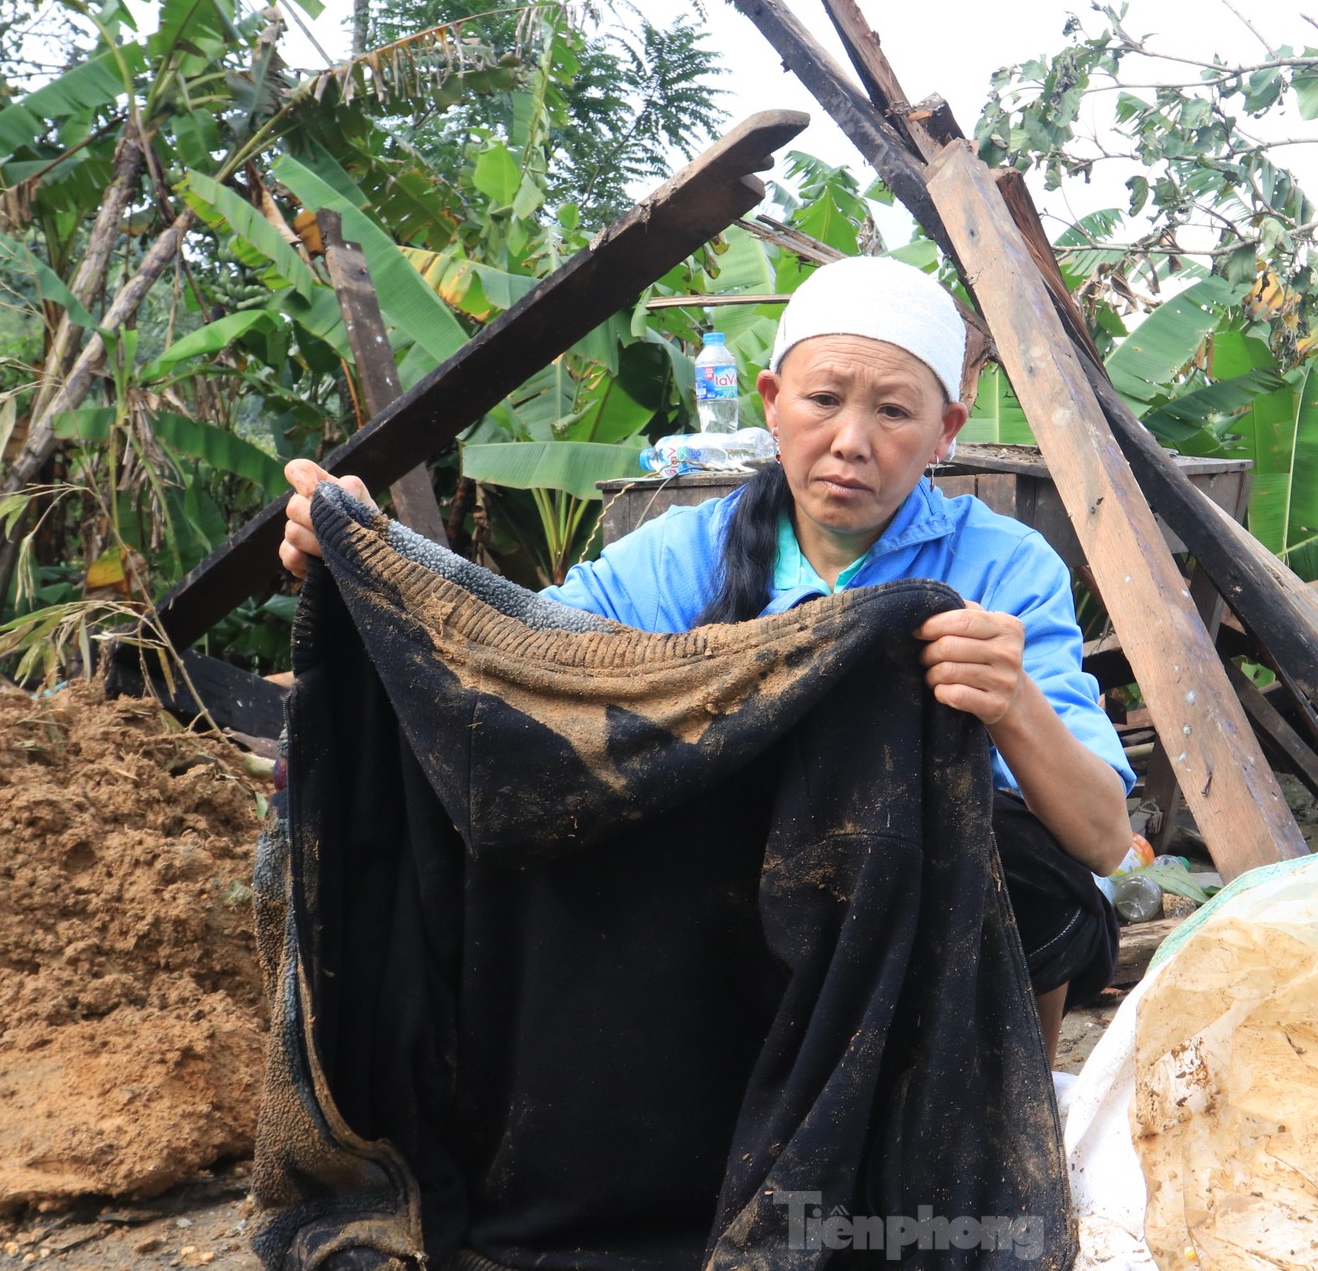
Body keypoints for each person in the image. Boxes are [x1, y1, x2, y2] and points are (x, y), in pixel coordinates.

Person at [279, 255, 1133, 1056]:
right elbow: (521, 658)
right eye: (823, 398)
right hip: (743, 924)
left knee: (1031, 867)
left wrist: (1012, 701)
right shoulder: (688, 552)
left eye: (895, 411)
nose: (850, 440)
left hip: (923, 942)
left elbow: (1099, 841)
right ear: (770, 401)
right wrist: (382, 565)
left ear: (945, 429)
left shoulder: (1003, 568)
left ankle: (1004, 1102)